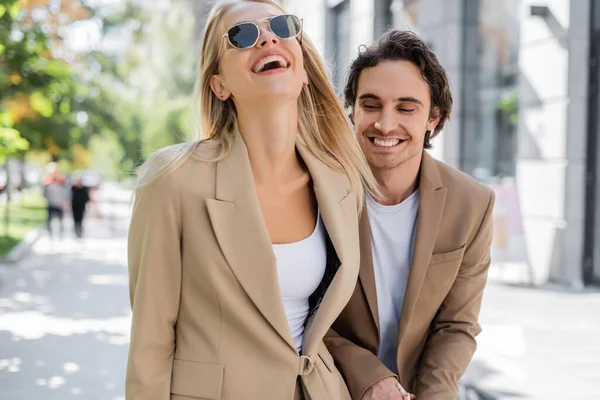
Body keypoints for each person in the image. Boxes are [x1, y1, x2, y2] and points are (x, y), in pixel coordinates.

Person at [126, 1, 380, 399]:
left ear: (303, 72)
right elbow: (150, 344)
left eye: (282, 25)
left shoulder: (340, 182)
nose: (267, 36)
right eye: (241, 35)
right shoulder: (174, 180)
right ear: (219, 85)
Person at [325, 30, 495, 400]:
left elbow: (456, 324)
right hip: (328, 386)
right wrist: (370, 376)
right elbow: (296, 311)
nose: (386, 124)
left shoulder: (472, 204)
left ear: (434, 117)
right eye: (371, 105)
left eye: (406, 108)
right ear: (352, 110)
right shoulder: (315, 192)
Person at [42, 163, 67, 238]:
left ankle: (60, 235)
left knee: (60, 220)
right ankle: (50, 235)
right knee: (49, 220)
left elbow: (65, 193)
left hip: (60, 204)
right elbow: (44, 193)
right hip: (51, 203)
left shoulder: (61, 181)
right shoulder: (47, 182)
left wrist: (65, 202)